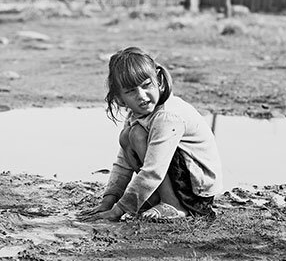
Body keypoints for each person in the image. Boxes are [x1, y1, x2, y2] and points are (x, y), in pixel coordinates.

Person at [80, 47, 222, 222]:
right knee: (128, 136)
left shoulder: (167, 116)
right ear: (119, 99)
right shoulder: (137, 115)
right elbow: (123, 163)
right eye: (131, 91)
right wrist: (108, 202)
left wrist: (118, 211)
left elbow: (153, 171)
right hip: (176, 181)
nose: (141, 96)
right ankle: (158, 199)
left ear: (159, 81)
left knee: (137, 135)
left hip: (197, 194)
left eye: (146, 85)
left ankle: (173, 206)